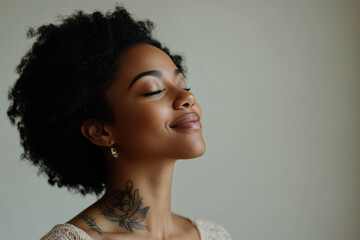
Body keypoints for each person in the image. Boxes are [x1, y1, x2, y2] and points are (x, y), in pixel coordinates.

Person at [7, 5, 232, 240]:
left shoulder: (214, 236)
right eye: (153, 91)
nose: (188, 97)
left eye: (183, 85)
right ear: (100, 131)